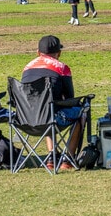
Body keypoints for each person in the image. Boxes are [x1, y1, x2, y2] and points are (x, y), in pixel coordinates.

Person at [21, 35, 86, 171]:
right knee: (80, 112)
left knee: (45, 108)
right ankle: (67, 158)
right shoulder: (61, 68)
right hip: (51, 119)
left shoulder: (27, 68)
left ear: (38, 53)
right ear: (59, 53)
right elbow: (70, 99)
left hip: (26, 120)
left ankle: (51, 156)